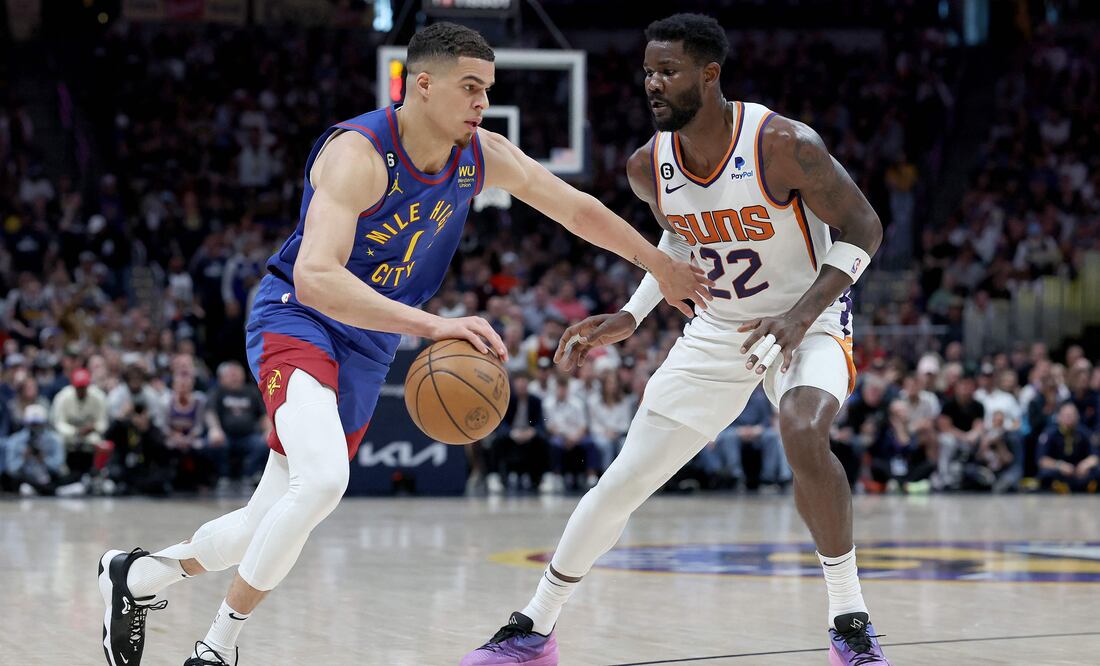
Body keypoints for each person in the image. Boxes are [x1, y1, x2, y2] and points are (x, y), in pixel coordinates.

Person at [97, 21, 709, 666]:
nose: (482, 102)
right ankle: (217, 649)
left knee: (266, 519)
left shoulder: (482, 155)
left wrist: (656, 262)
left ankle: (136, 578)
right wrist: (434, 326)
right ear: (422, 84)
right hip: (298, 319)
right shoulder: (357, 153)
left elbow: (575, 208)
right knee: (324, 481)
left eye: (488, 89)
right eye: (470, 87)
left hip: (370, 345)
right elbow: (316, 276)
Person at [464, 14, 890, 665]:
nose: (653, 85)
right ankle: (534, 627)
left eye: (668, 72)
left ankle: (849, 622)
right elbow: (681, 238)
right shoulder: (648, 168)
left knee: (803, 430)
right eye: (648, 74)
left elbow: (864, 228)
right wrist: (634, 314)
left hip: (810, 317)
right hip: (719, 328)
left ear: (709, 75)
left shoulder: (782, 144)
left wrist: (800, 318)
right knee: (624, 480)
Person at [1, 404, 65, 495]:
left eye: (38, 424)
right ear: (26, 423)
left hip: (48, 479)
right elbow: (11, 469)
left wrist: (44, 460)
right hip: (24, 480)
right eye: (32, 425)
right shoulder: (15, 441)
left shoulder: (54, 440)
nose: (35, 428)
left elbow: (58, 467)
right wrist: (24, 458)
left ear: (44, 423)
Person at [1036, 403, 1098, 493]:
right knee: (1045, 473)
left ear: (1077, 417)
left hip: (1079, 471)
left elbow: (1095, 456)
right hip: (1060, 471)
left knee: (1096, 471)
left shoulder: (1084, 432)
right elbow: (1042, 460)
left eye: (1072, 415)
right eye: (1066, 415)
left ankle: (1086, 486)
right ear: (1058, 417)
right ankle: (1061, 487)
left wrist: (1085, 464)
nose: (1069, 418)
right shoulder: (1050, 433)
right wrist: (1060, 465)